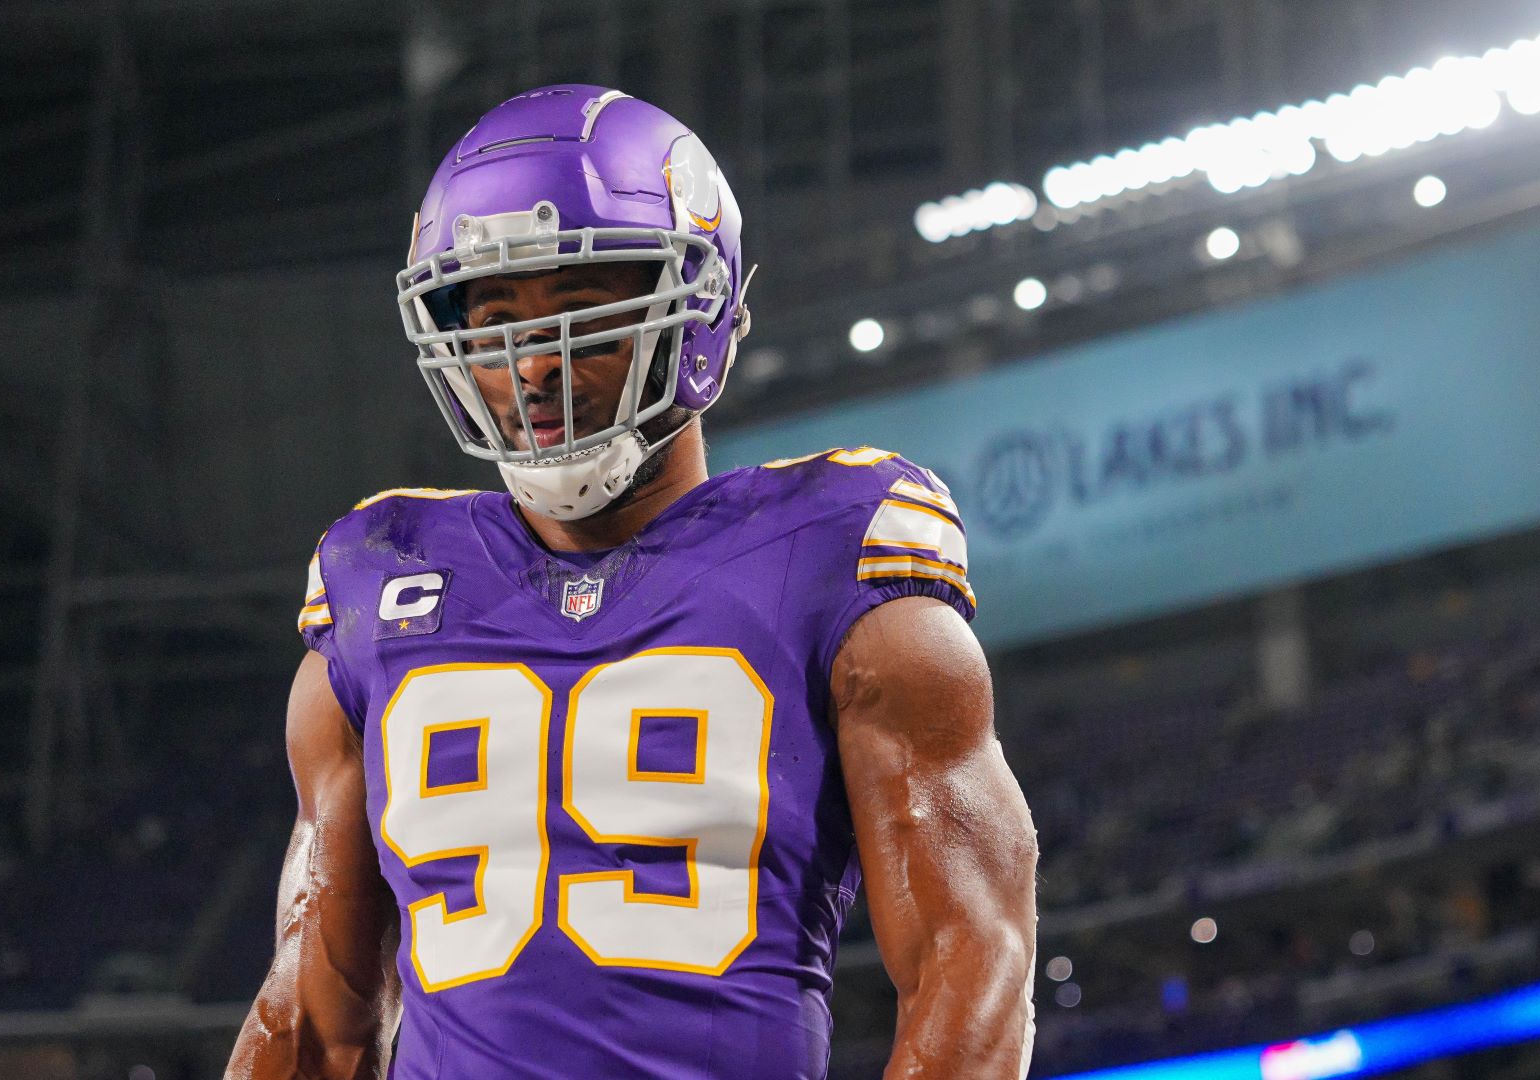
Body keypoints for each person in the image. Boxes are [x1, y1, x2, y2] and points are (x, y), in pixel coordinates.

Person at [225, 84, 1037, 1080]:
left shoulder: (832, 547)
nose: (534, 366)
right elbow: (311, 1017)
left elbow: (971, 956)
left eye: (580, 311)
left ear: (696, 313)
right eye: (495, 321)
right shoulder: (380, 579)